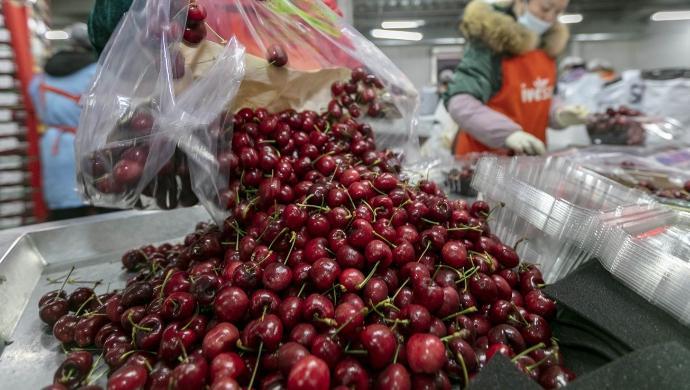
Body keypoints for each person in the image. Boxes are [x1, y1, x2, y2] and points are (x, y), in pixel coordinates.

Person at [444, 0, 590, 156]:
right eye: (545, 8)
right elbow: (460, 103)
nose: (550, 18)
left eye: (558, 12)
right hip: (483, 162)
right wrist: (507, 133)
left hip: (528, 162)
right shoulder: (490, 45)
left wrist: (558, 113)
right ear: (520, 2)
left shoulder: (546, 47)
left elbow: (540, 95)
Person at [29, 23, 108, 220]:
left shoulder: (41, 76)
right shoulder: (95, 72)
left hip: (54, 149)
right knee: (105, 215)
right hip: (91, 147)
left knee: (65, 218)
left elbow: (35, 100)